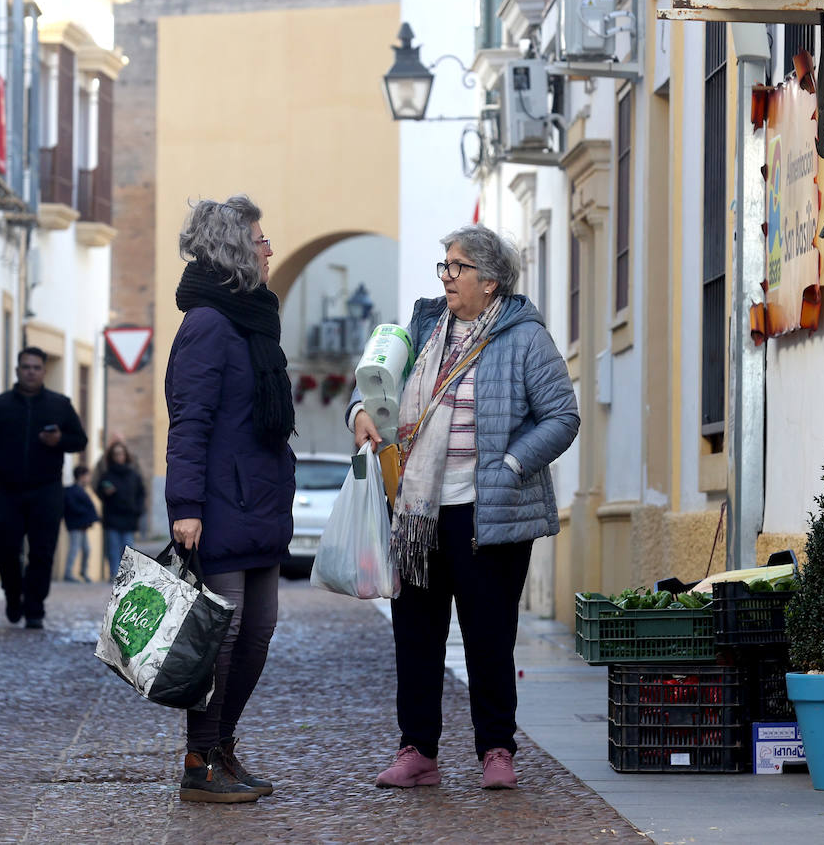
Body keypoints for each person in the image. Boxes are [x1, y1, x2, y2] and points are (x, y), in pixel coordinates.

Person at [348, 225, 579, 791]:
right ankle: (417, 750)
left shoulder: (524, 338)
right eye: (444, 266)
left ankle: (497, 750)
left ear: (490, 280)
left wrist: (512, 465)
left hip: (488, 515)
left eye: (457, 267)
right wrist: (360, 411)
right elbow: (377, 379)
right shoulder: (424, 326)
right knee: (417, 636)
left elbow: (562, 416)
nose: (446, 276)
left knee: (489, 637)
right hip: (418, 512)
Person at [165, 195, 295, 804]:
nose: (270, 249)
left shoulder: (255, 319)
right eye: (261, 240)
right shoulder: (208, 324)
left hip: (262, 502)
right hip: (220, 504)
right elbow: (188, 421)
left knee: (258, 632)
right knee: (221, 632)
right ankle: (198, 759)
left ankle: (222, 745)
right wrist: (185, 506)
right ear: (237, 249)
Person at [0, 347, 88, 629]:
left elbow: (79, 440)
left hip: (46, 489)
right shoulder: (0, 405)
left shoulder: (59, 404)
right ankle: (13, 596)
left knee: (42, 551)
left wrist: (59, 440)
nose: (31, 372)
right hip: (8, 489)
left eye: (36, 367)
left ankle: (35, 607)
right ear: (17, 370)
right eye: (26, 367)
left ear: (44, 372)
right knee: (4, 548)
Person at [93, 440, 147, 579]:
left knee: (128, 549)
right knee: (113, 549)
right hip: (112, 517)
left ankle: (126, 577)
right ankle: (115, 576)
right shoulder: (107, 475)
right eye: (116, 454)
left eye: (121, 453)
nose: (119, 457)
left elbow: (141, 493)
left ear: (125, 455)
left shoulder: (133, 475)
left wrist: (138, 509)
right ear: (112, 456)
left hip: (129, 517)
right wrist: (105, 492)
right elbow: (98, 490)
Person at [62, 465, 99, 582]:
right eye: (87, 476)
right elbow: (73, 508)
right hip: (76, 525)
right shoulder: (72, 491)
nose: (89, 479)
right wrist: (87, 514)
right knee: (74, 549)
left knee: (86, 549)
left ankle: (83, 572)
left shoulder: (80, 490)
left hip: (82, 526)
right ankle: (68, 573)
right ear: (81, 477)